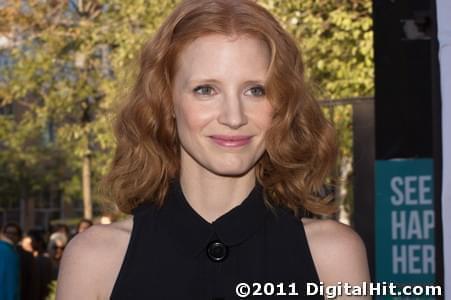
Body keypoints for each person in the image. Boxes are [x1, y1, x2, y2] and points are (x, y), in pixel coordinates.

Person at [57, 0, 370, 299]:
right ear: (167, 102)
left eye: (256, 90)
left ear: (281, 104)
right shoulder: (94, 261)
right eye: (206, 90)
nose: (233, 117)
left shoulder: (333, 257)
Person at [0, 226, 20, 300]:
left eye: (14, 233)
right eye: (8, 233)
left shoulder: (9, 251)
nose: (11, 236)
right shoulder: (9, 251)